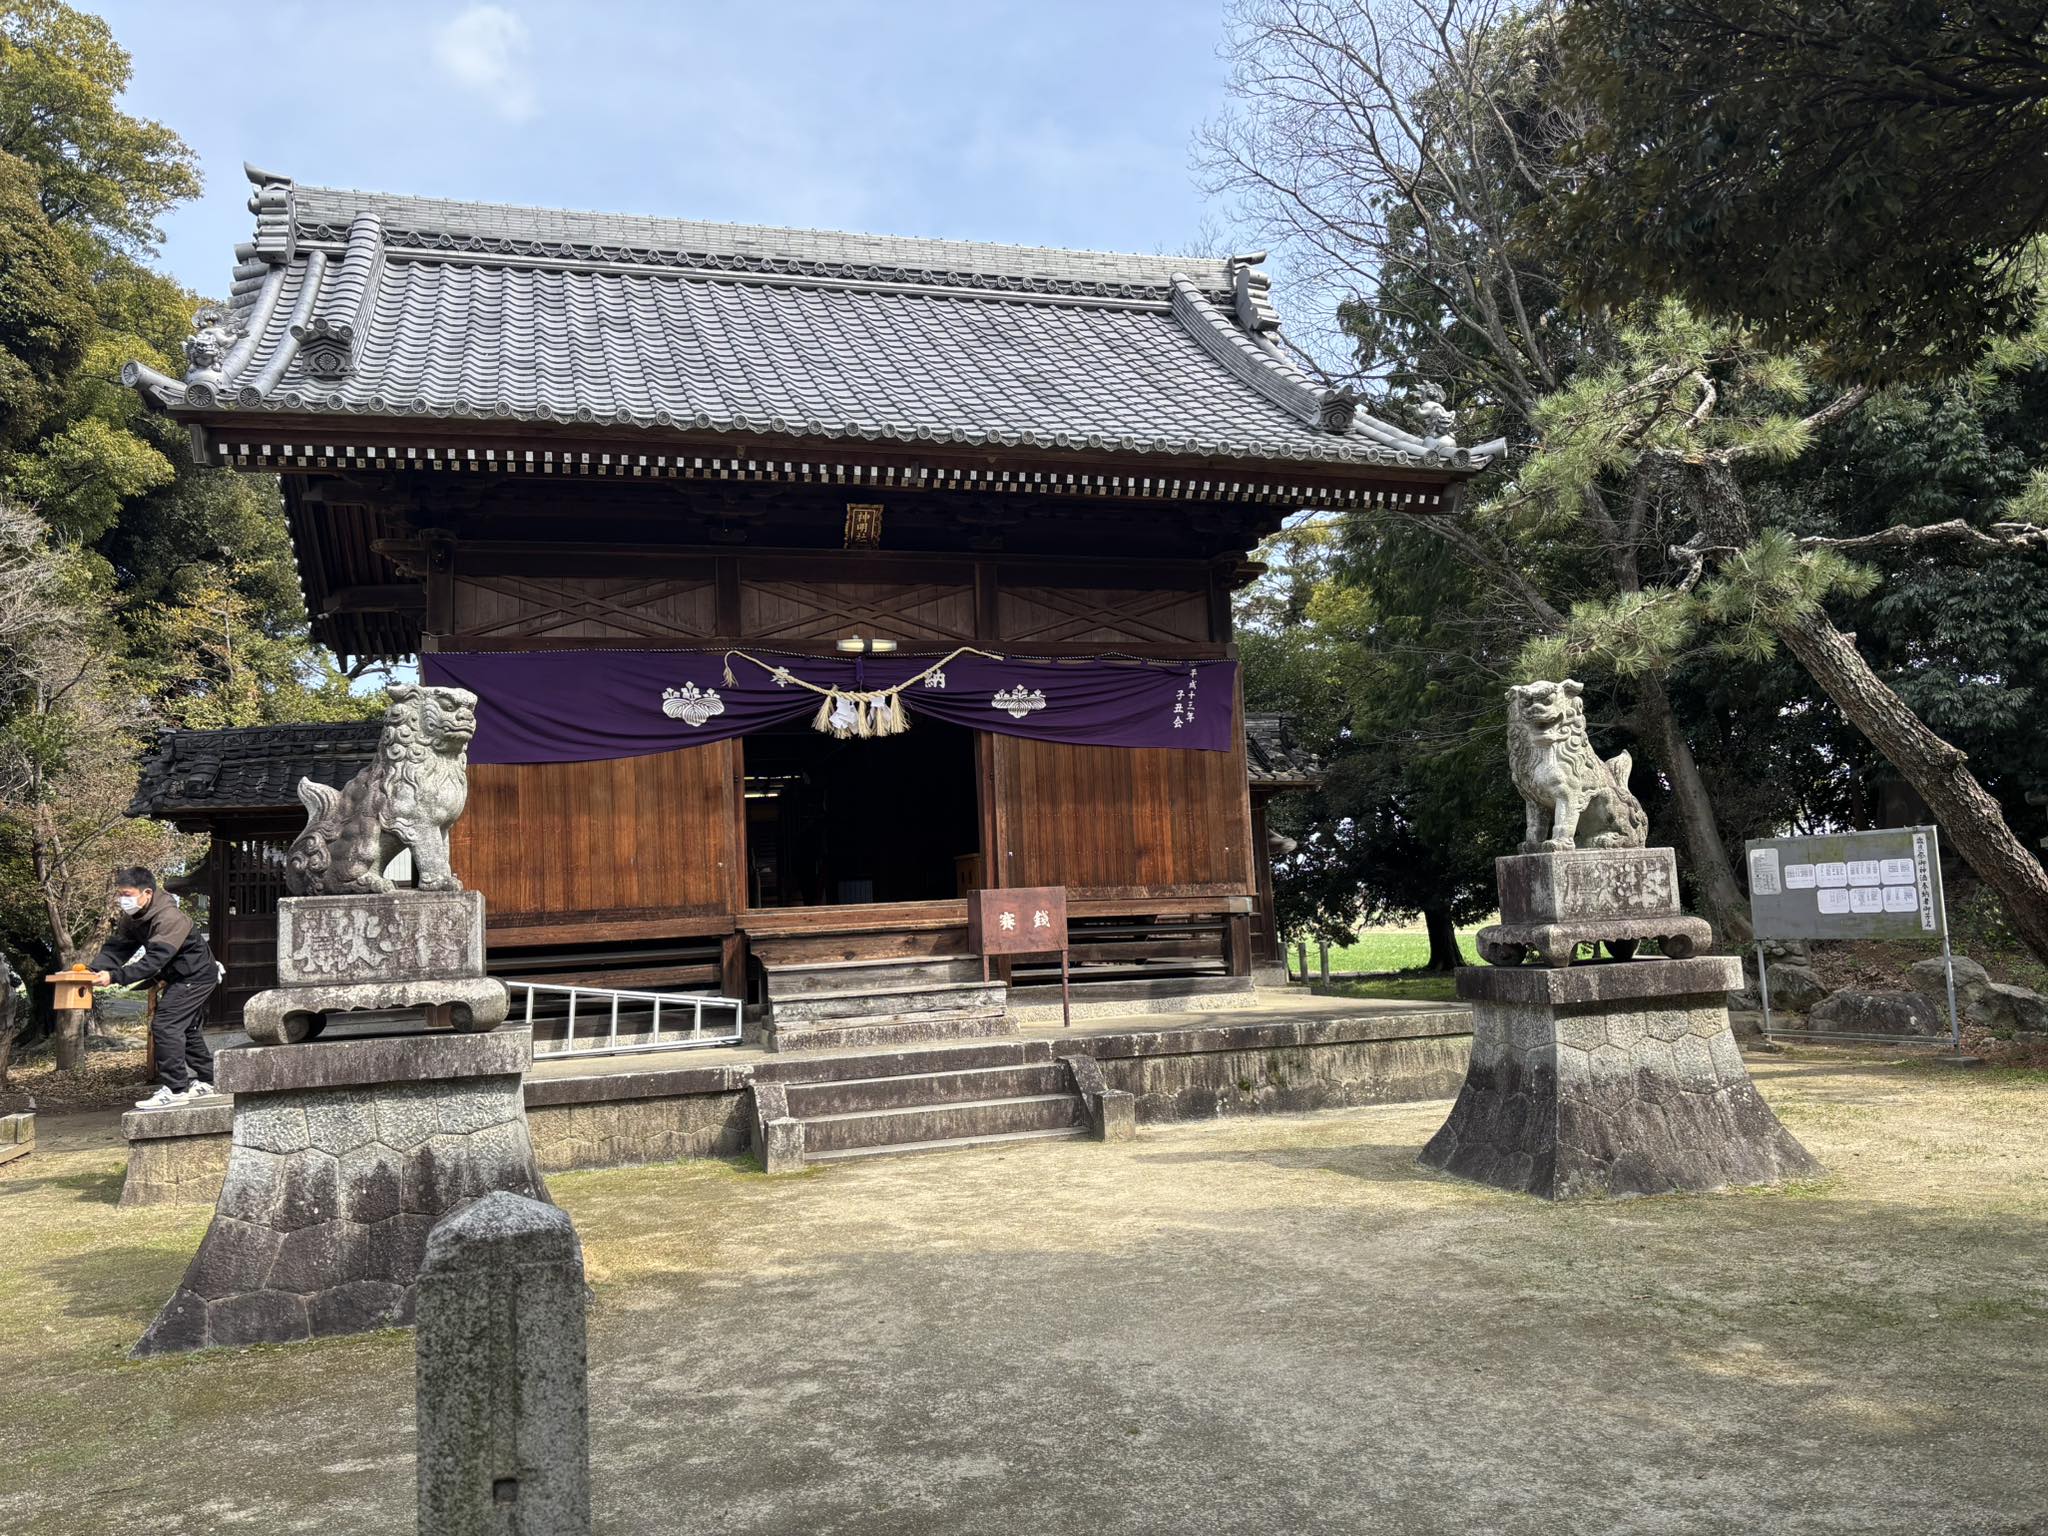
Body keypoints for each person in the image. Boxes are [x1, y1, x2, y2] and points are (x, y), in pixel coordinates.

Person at [86, 867, 220, 1110]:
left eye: (127, 894)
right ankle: (210, 1080)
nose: (122, 900)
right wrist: (94, 971)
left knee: (165, 1025)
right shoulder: (134, 917)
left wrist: (114, 977)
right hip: (180, 976)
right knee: (186, 1028)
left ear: (147, 893)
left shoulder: (169, 918)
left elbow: (153, 961)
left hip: (196, 976)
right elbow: (118, 948)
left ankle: (176, 1089)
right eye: (120, 895)